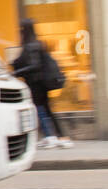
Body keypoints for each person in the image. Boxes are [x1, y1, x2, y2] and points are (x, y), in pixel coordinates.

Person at [11, 19, 72, 149]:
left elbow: (34, 65)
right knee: (47, 110)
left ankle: (50, 136)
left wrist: (16, 72)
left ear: (24, 30)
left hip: (36, 83)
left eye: (21, 29)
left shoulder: (30, 45)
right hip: (40, 83)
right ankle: (60, 137)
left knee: (40, 110)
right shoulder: (37, 43)